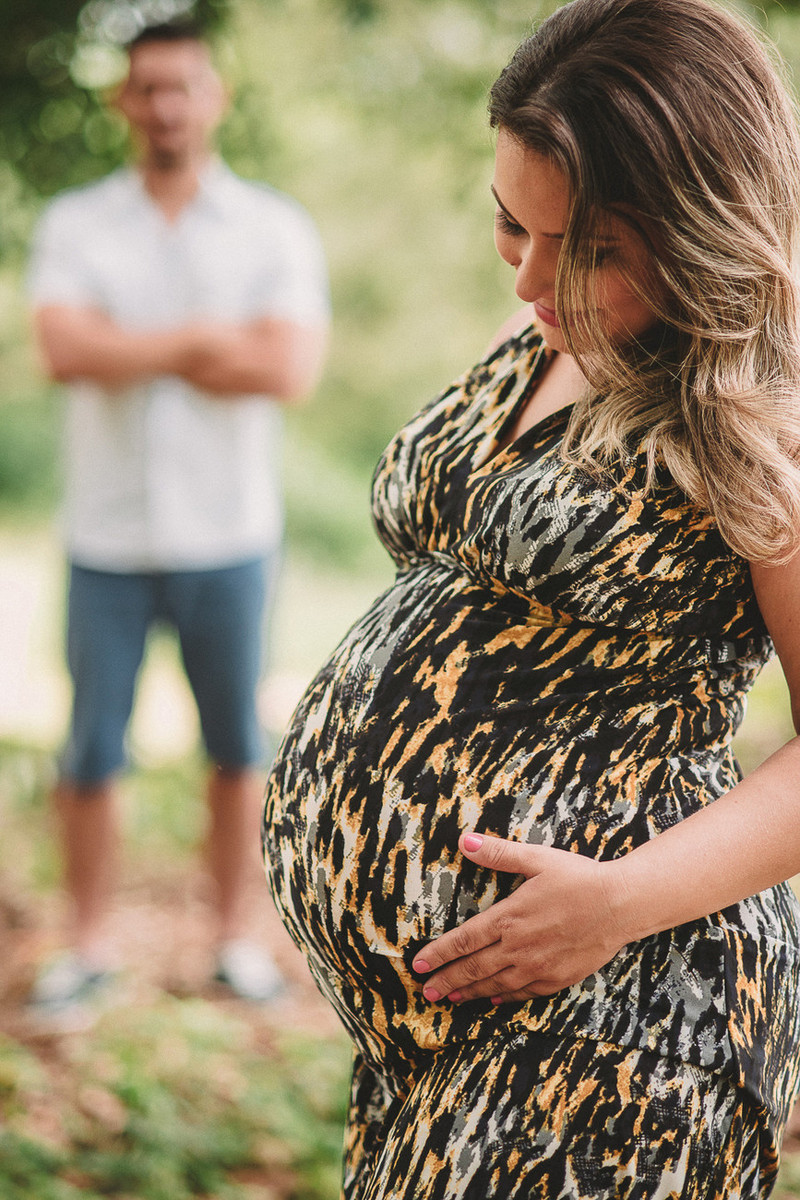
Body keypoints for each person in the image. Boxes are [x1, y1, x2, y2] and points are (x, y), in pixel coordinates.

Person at [261, 0, 800, 1195]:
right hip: (431, 1043)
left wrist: (614, 903)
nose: (533, 275)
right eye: (511, 224)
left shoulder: (760, 408)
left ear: (704, 226)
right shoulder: (556, 320)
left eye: (590, 247)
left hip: (622, 1030)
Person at [26, 20, 329, 1019]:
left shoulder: (271, 228)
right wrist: (205, 338)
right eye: (146, 88)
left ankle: (234, 941)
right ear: (124, 100)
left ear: (213, 97)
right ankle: (87, 944)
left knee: (238, 748)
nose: (163, 105)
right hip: (104, 538)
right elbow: (65, 350)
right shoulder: (76, 223)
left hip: (229, 537)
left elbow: (285, 368)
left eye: (181, 87)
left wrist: (132, 344)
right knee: (90, 752)